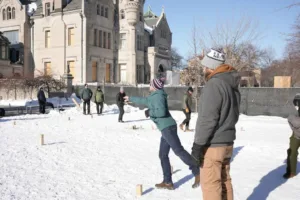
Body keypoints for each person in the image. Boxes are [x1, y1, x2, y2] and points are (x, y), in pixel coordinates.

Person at [124, 78, 200, 190]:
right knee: (163, 155)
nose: (149, 85)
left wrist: (150, 112)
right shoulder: (154, 96)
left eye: (150, 84)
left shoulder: (158, 96)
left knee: (178, 151)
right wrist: (130, 98)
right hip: (165, 128)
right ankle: (168, 182)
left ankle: (197, 171)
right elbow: (145, 101)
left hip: (167, 127)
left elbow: (161, 112)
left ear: (154, 86)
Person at [191, 48, 241, 200]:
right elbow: (234, 115)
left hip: (214, 145)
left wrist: (198, 145)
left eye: (204, 67)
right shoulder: (231, 84)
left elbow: (207, 118)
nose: (203, 70)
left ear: (210, 67)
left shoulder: (214, 84)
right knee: (225, 180)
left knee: (211, 185)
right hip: (227, 143)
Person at [284, 93, 300, 179]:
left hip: (296, 134)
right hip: (296, 135)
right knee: (292, 153)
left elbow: (291, 121)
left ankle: (292, 172)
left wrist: (294, 128)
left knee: (292, 153)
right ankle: (292, 172)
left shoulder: (293, 118)